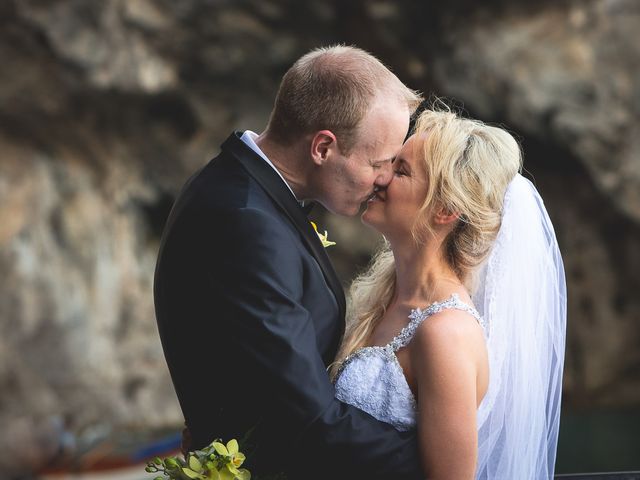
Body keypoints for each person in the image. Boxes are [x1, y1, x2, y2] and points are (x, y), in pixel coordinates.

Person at [153, 45, 426, 479]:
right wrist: (447, 463)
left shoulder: (241, 188)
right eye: (378, 162)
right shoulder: (247, 223)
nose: (385, 179)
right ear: (322, 147)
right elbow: (306, 419)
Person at [332, 106, 567, 479]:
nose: (381, 177)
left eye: (402, 171)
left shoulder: (446, 333)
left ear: (444, 209)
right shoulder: (385, 296)